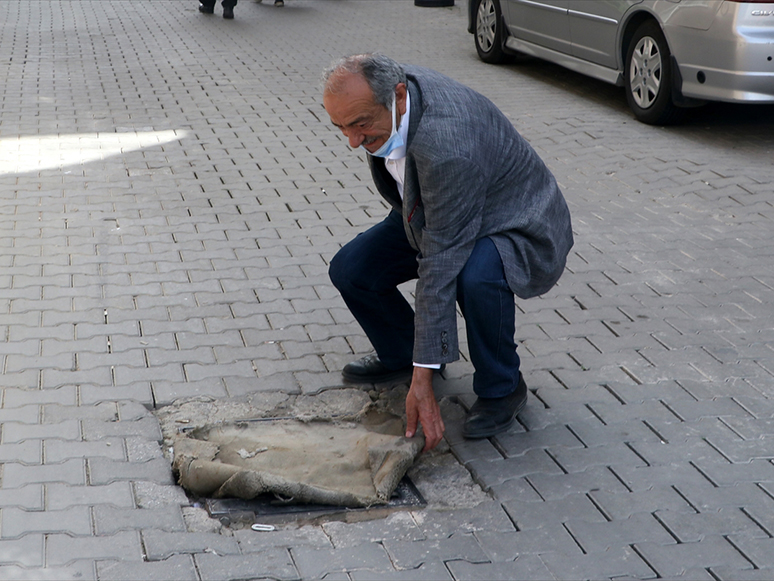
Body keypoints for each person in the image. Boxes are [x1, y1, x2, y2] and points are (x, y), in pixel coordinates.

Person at [322, 54, 573, 452]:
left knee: (476, 276)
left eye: (361, 126)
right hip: (436, 207)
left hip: (512, 219)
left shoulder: (447, 145)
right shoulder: (394, 97)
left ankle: (502, 387)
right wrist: (422, 360)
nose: (353, 140)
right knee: (352, 269)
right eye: (341, 128)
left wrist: (424, 380)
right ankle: (404, 353)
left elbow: (439, 261)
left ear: (398, 97)